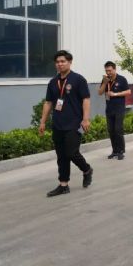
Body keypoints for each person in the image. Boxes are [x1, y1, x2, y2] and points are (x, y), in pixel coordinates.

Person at [39, 50, 93, 197]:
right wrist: (43, 122)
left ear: (70, 62)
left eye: (63, 61)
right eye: (57, 62)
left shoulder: (78, 79)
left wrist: (85, 119)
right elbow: (48, 102)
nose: (60, 64)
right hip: (58, 124)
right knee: (61, 156)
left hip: (74, 123)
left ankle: (86, 169)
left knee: (71, 152)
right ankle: (63, 185)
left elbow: (86, 99)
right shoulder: (53, 82)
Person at [98, 61, 131, 160]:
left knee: (118, 130)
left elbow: (128, 91)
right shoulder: (105, 80)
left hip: (119, 109)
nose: (108, 73)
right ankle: (114, 151)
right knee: (111, 130)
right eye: (106, 71)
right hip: (109, 109)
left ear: (115, 69)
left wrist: (115, 94)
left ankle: (121, 151)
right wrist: (104, 83)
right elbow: (100, 92)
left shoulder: (121, 79)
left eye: (110, 70)